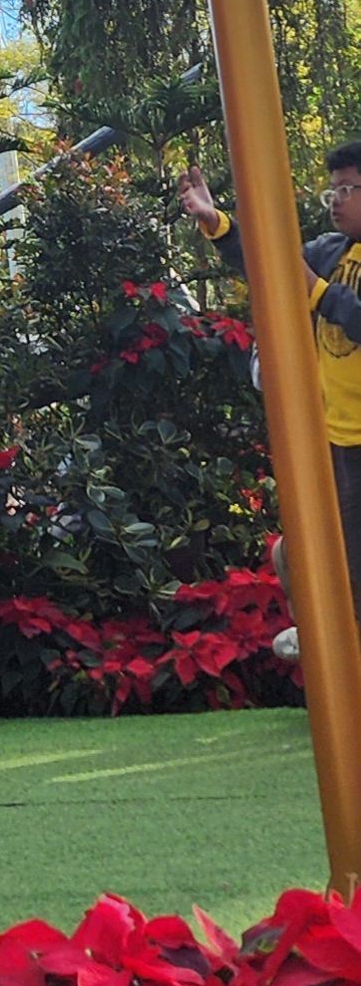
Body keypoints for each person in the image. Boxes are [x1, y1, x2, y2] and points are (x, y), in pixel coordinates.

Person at [180, 144, 361, 639]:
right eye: (333, 190)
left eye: (348, 189)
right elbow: (269, 265)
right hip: (332, 440)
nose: (335, 200)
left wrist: (315, 290)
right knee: (297, 554)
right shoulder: (328, 251)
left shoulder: (320, 271)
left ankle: (339, 655)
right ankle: (327, 646)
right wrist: (217, 223)